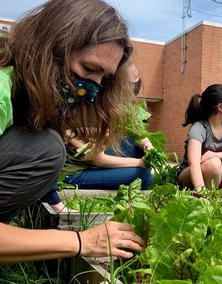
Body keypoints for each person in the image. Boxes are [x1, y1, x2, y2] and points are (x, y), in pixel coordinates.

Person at [0, 0, 144, 264]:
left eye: (104, 78)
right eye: (89, 69)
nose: (94, 89)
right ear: (51, 47)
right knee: (46, 151)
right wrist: (82, 241)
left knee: (45, 147)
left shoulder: (5, 55)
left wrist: (56, 205)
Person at [40, 62, 154, 213]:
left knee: (132, 146)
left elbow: (136, 133)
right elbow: (97, 158)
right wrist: (139, 163)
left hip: (86, 161)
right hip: (74, 172)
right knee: (144, 177)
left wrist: (148, 146)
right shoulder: (86, 104)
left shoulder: (108, 106)